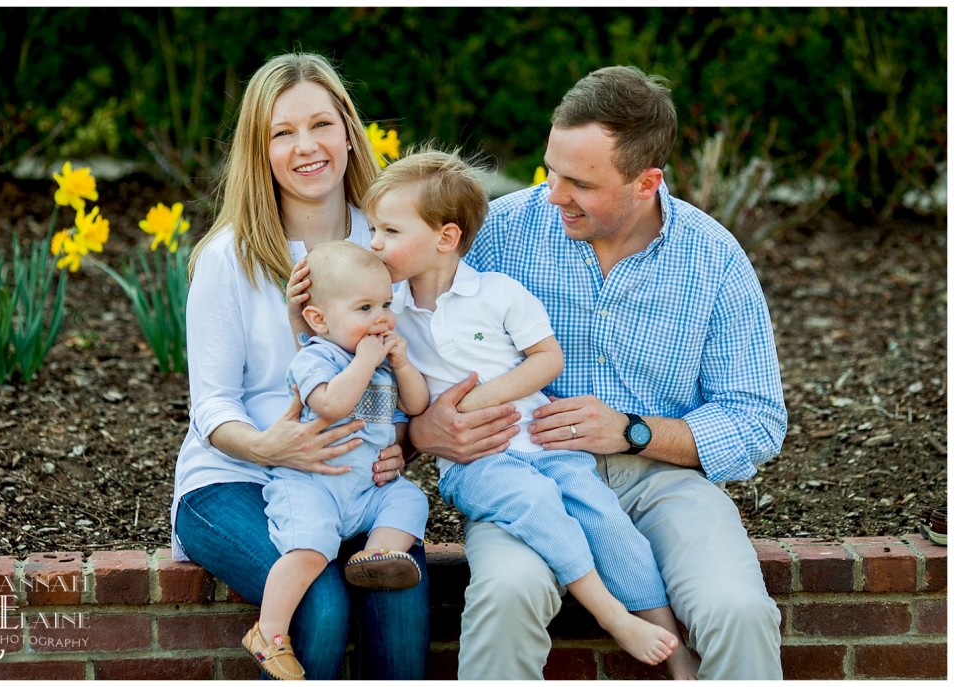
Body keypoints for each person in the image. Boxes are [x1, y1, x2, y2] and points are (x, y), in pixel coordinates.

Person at [407, 66, 788, 680]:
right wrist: (424, 431)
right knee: (505, 596)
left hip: (662, 483)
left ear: (646, 182)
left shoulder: (712, 257)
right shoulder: (500, 232)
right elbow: (409, 329)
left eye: (579, 182)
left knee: (739, 611)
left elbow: (757, 419)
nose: (554, 192)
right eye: (551, 169)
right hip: (528, 475)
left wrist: (632, 431)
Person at [362, 148, 699, 679]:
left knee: (606, 520)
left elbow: (548, 360)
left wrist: (476, 399)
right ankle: (614, 618)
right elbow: (405, 403)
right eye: (373, 229)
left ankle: (676, 654)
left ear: (445, 239)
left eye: (389, 231)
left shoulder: (496, 293)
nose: (374, 244)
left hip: (545, 444)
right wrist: (400, 366)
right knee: (539, 505)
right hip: (479, 465)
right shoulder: (389, 313)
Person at [170, 52, 429, 680]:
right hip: (230, 479)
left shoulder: (389, 241)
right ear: (259, 151)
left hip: (354, 482)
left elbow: (407, 374)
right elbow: (211, 405)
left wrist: (398, 443)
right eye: (282, 133)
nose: (305, 146)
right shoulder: (229, 257)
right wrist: (267, 446)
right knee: (321, 601)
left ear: (348, 129)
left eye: (320, 125)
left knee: (395, 590)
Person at [244, 240, 431, 679]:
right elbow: (332, 405)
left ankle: (378, 555)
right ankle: (268, 633)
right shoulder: (316, 357)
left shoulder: (383, 366)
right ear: (319, 319)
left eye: (386, 303)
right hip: (312, 486)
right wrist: (367, 361)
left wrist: (402, 366)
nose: (381, 316)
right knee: (310, 550)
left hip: (368, 490)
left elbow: (418, 405)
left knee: (410, 501)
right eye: (364, 307)